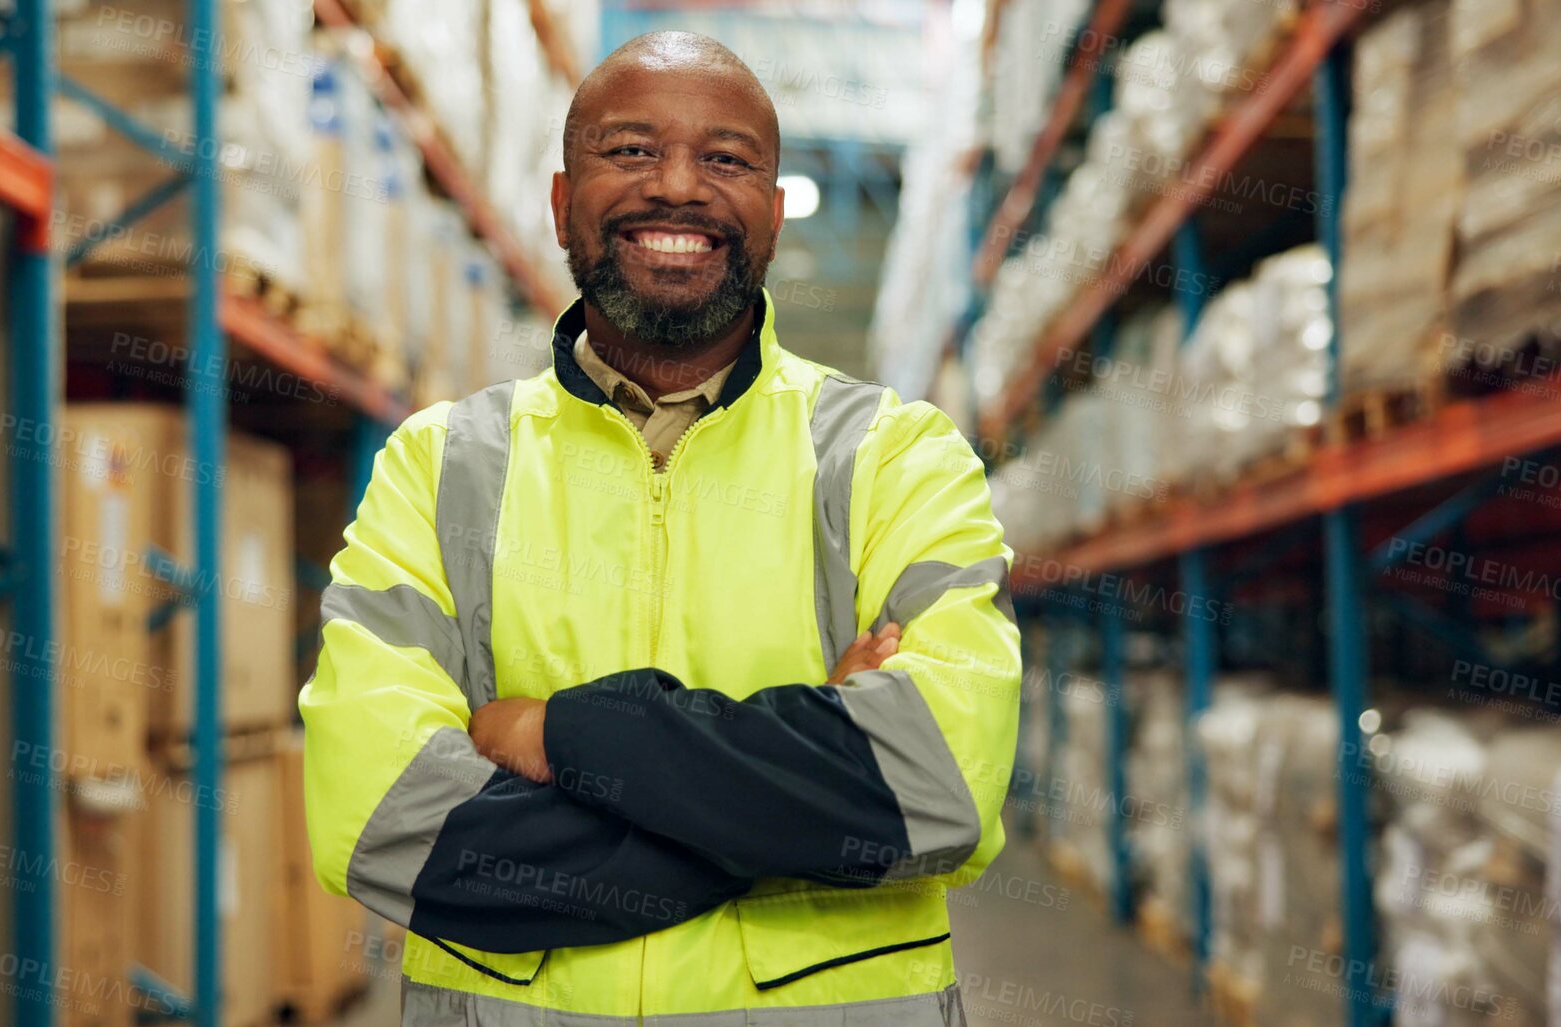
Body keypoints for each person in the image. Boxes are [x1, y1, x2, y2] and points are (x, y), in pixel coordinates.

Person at [300, 30, 1022, 1026]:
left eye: (724, 158)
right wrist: (793, 781)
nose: (676, 186)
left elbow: (934, 785)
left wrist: (560, 733)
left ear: (772, 215)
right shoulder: (440, 467)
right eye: (630, 150)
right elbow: (384, 825)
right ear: (560, 205)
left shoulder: (896, 458)